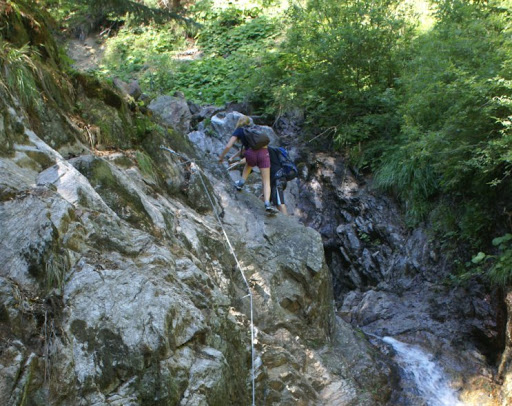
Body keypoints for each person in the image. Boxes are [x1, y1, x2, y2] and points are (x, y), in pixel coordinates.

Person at [218, 116, 278, 214]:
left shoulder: (239, 131)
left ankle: (241, 183)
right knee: (266, 181)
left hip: (251, 153)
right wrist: (233, 156)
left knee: (249, 164)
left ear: (239, 123)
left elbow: (229, 146)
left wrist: (221, 156)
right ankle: (267, 203)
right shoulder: (255, 130)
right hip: (264, 152)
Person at [268, 146, 288, 215]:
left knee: (280, 203)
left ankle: (288, 224)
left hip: (278, 179)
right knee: (264, 197)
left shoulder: (267, 150)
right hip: (278, 178)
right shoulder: (271, 151)